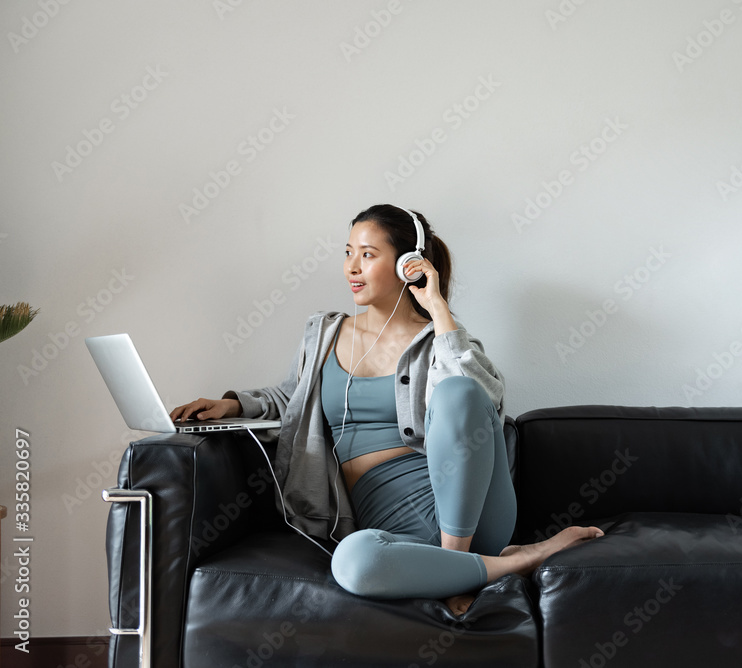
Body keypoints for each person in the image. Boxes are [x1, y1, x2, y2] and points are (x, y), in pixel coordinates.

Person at [171, 204, 602, 615]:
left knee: (459, 392)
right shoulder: (324, 332)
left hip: (469, 518)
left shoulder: (438, 340)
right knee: (352, 561)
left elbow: (482, 398)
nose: (352, 267)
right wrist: (231, 403)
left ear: (406, 264)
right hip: (388, 524)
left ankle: (457, 569)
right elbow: (293, 398)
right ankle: (516, 561)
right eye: (348, 253)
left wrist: (437, 308)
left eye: (368, 254)